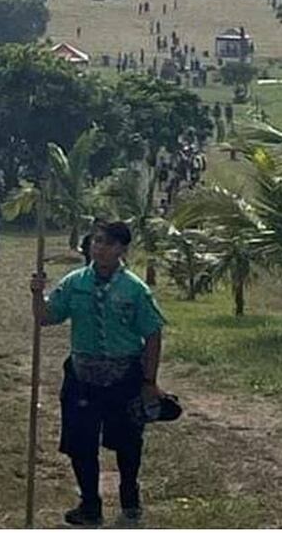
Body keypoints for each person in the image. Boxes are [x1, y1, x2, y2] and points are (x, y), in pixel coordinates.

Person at [29, 220, 166, 526]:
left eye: (108, 243)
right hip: (82, 376)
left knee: (127, 442)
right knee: (80, 442)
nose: (100, 248)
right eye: (97, 242)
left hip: (123, 376)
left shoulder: (135, 290)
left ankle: (129, 497)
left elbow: (153, 334)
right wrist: (37, 294)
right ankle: (90, 505)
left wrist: (149, 381)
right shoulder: (75, 283)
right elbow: (46, 317)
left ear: (122, 250)